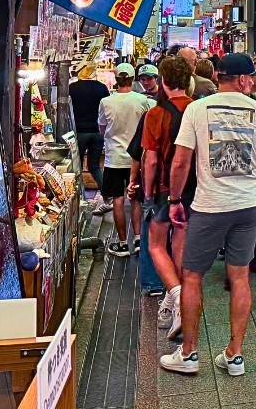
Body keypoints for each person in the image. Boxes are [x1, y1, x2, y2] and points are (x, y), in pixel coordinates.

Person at [160, 53, 256, 377]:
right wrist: (255, 190)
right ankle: (235, 355)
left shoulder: (198, 109)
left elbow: (181, 162)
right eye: (251, 77)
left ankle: (189, 353)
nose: (254, 82)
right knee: (240, 277)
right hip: (248, 204)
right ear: (241, 80)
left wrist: (174, 199)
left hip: (209, 205)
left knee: (193, 276)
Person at [140, 56, 194, 332]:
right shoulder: (198, 110)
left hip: (164, 189)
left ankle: (174, 295)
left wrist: (147, 194)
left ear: (163, 81)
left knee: (156, 245)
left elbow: (150, 160)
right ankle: (179, 304)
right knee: (181, 247)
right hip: (194, 189)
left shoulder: (156, 114)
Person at [97, 63, 156, 256]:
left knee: (118, 200)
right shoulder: (143, 101)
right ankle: (138, 239)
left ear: (116, 79)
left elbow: (102, 129)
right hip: (136, 158)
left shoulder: (106, 102)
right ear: (133, 80)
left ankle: (122, 243)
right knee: (137, 200)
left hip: (114, 157)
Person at [69, 64, 110, 213]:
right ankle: (107, 197)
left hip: (79, 132)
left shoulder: (73, 88)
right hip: (97, 132)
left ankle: (78, 197)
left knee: (76, 166)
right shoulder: (102, 88)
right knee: (94, 166)